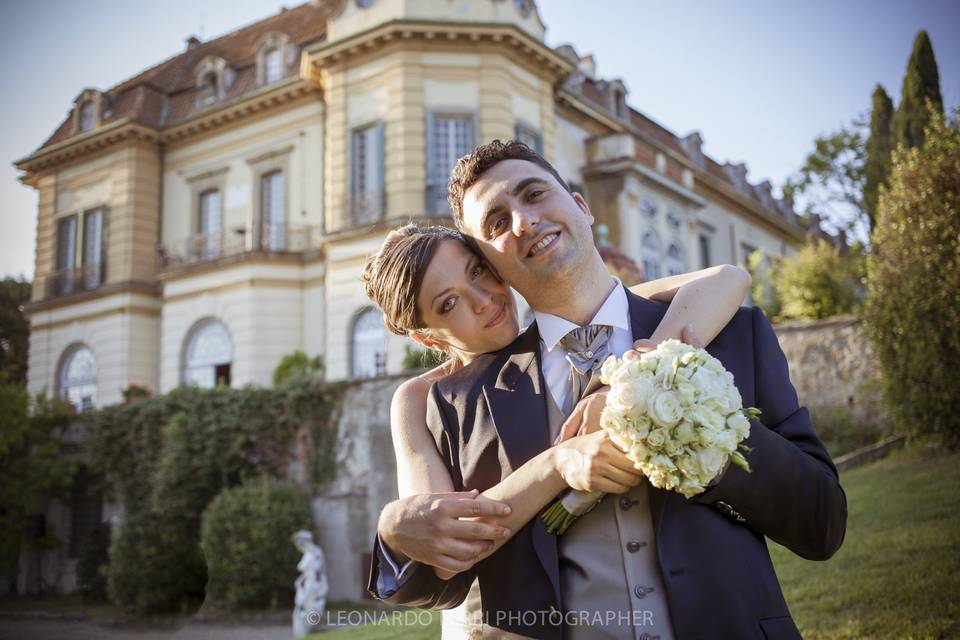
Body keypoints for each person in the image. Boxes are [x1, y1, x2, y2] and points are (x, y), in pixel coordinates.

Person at [370, 140, 847, 639]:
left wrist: (701, 439)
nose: (524, 221)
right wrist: (396, 525)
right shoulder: (454, 404)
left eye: (534, 194)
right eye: (496, 223)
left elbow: (823, 525)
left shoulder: (728, 329)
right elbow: (441, 573)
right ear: (496, 265)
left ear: (581, 206)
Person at [362, 223, 751, 639]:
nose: (482, 300)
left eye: (477, 271)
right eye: (450, 302)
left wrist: (632, 380)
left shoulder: (561, 335)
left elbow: (728, 278)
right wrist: (557, 463)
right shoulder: (421, 398)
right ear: (428, 338)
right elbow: (450, 541)